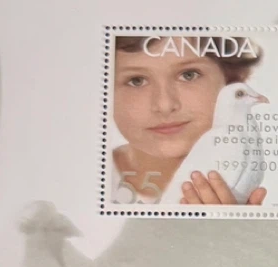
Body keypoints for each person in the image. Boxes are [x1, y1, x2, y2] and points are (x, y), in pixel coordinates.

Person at [108, 33, 268, 206]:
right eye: (136, 81)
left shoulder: (248, 156)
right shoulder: (93, 180)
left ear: (232, 79)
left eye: (189, 75)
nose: (165, 105)